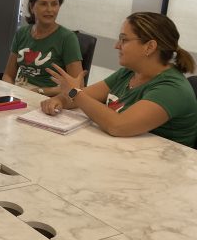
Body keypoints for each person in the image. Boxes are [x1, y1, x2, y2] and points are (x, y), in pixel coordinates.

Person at [41, 12, 197, 147]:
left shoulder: (172, 89)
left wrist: (74, 92)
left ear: (149, 47)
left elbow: (118, 126)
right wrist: (59, 100)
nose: (116, 45)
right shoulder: (129, 72)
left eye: (124, 40)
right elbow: (84, 97)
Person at [2, 0, 83, 96]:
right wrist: (7, 93)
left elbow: (78, 86)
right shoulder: (21, 33)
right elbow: (8, 75)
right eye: (43, 4)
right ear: (32, 7)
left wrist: (40, 91)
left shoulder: (68, 38)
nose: (49, 9)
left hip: (49, 98)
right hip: (19, 93)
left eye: (54, 4)